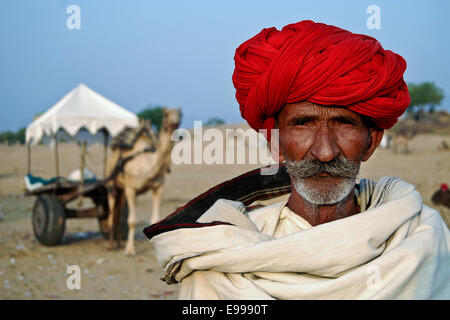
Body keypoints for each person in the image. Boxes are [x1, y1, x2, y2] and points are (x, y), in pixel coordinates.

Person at [143, 20, 450, 299]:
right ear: (275, 141)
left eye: (344, 123)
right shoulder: (220, 261)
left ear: (371, 142)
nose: (325, 152)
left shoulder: (421, 240)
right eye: (303, 124)